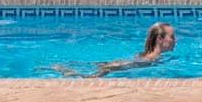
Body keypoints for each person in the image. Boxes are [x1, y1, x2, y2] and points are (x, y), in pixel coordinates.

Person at [48, 22, 176, 79]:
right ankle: (68, 72)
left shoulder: (143, 54)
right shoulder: (153, 59)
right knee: (90, 78)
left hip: (122, 62)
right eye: (172, 37)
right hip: (123, 65)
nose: (175, 40)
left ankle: (64, 69)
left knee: (95, 68)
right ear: (160, 39)